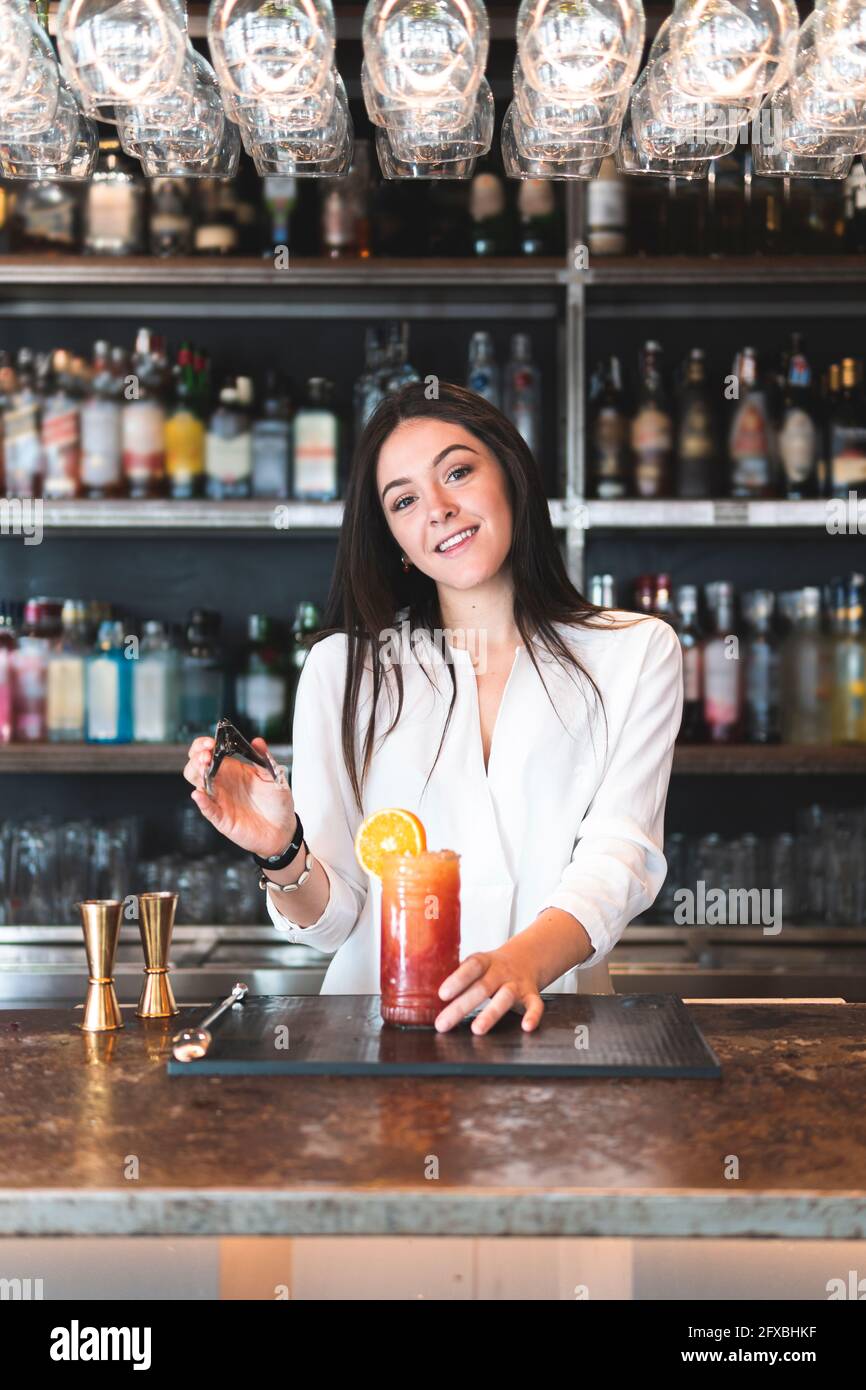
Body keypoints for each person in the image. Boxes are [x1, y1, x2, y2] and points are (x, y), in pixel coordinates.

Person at [183, 382, 683, 1035]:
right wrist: (282, 851)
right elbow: (335, 923)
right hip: (381, 1045)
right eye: (406, 500)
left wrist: (519, 964)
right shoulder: (345, 670)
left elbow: (622, 855)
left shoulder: (634, 652)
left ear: (510, 477)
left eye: (458, 471)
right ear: (393, 536)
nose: (440, 509)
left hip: (557, 1035)